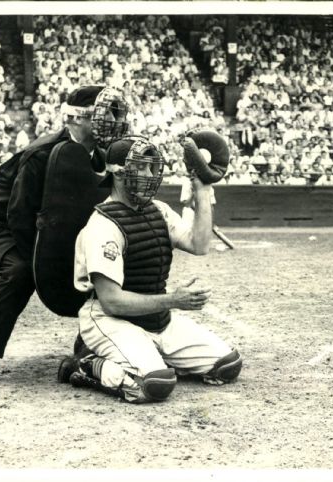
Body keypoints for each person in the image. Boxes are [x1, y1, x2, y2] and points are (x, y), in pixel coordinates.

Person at [0, 85, 130, 385]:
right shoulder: (42, 153)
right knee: (20, 272)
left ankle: (88, 347)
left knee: (97, 271)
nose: (109, 124)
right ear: (74, 119)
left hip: (34, 226)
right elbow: (19, 213)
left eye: (112, 116)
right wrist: (41, 263)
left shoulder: (98, 157)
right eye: (99, 117)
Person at [57, 136, 242, 403]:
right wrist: (174, 300)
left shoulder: (159, 211)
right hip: (112, 319)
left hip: (157, 319)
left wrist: (202, 189)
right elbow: (112, 302)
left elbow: (199, 244)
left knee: (227, 365)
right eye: (142, 167)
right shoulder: (102, 226)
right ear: (118, 173)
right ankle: (85, 364)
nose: (150, 174)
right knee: (153, 384)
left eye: (152, 167)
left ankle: (146, 354)